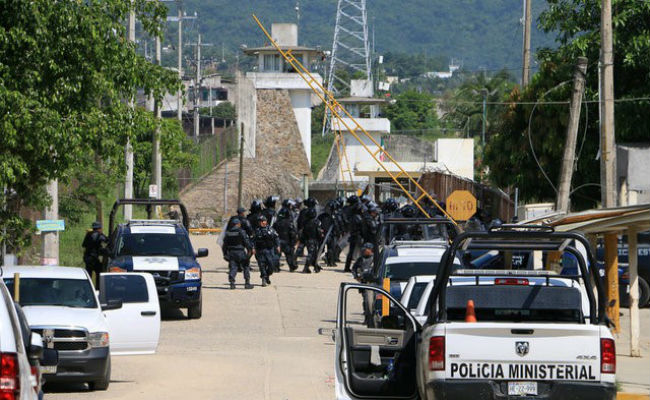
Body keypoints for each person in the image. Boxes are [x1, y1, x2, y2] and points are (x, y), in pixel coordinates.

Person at [222, 218, 254, 290]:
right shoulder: (241, 232)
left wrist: (225, 254)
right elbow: (246, 242)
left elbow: (224, 245)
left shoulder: (228, 233)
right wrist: (250, 250)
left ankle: (232, 283)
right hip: (240, 252)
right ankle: (247, 283)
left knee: (233, 267)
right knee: (246, 266)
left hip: (231, 253)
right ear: (238, 224)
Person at [253, 215, 280, 287]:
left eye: (262, 221)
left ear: (265, 221)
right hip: (260, 250)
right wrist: (253, 248)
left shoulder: (271, 229)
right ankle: (264, 278)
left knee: (271, 265)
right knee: (262, 265)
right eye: (260, 221)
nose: (261, 223)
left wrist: (278, 246)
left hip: (269, 250)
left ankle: (267, 275)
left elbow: (276, 237)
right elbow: (253, 240)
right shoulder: (256, 230)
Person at [82, 222, 108, 287]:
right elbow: (107, 240)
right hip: (94, 258)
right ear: (99, 228)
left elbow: (83, 245)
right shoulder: (99, 235)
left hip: (87, 257)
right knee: (99, 273)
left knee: (88, 275)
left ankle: (88, 288)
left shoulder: (88, 234)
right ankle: (98, 288)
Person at [300, 207, 323, 273]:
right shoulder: (316, 222)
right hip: (313, 240)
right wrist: (321, 235)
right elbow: (318, 231)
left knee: (314, 254)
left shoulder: (305, 222)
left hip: (307, 240)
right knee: (311, 254)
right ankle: (306, 268)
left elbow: (303, 231)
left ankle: (316, 267)